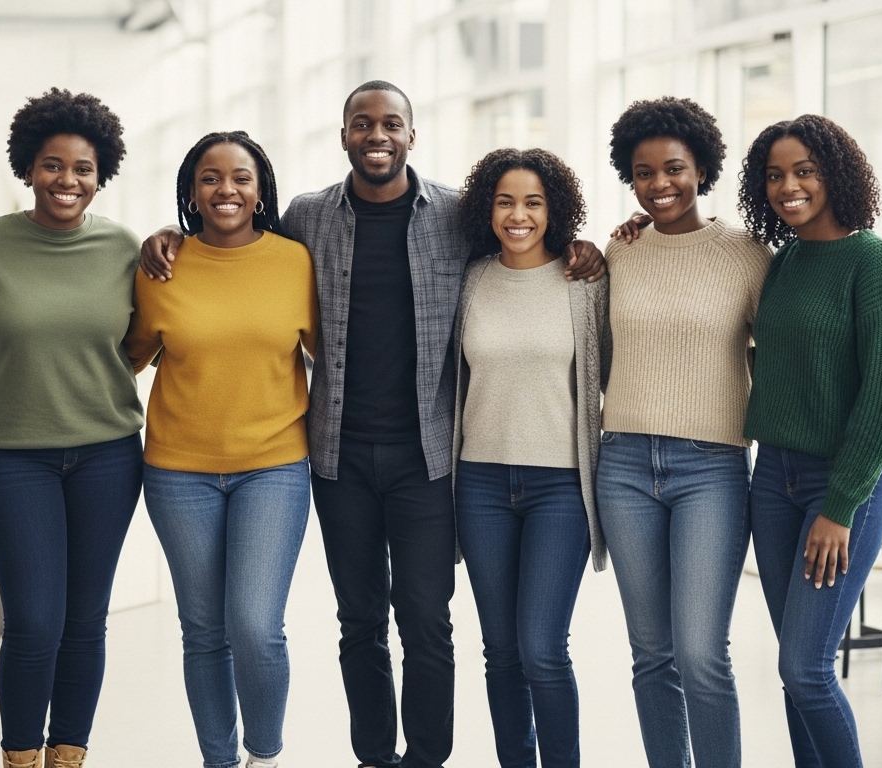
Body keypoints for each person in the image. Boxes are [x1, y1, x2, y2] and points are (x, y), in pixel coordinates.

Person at [140, 81, 605, 768]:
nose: (377, 134)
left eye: (391, 123)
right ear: (344, 135)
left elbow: (523, 240)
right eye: (362, 123)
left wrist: (583, 247)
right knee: (359, 621)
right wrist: (169, 236)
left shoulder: (454, 214)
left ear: (412, 135)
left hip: (427, 458)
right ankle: (374, 757)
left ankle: (426, 757)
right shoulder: (306, 216)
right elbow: (239, 250)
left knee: (425, 620)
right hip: (337, 456)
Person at [0, 88, 143, 768]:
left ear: (101, 173)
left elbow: (156, 334)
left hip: (109, 456)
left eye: (82, 168)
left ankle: (69, 758)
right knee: (32, 624)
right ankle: (20, 758)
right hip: (13, 458)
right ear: (29, 167)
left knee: (85, 622)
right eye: (53, 165)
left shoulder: (124, 247)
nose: (67, 181)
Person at [125, 131, 317, 768]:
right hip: (179, 472)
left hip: (274, 466)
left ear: (261, 189)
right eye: (210, 178)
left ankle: (263, 755)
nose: (226, 190)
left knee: (256, 627)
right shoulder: (161, 266)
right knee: (204, 631)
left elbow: (333, 354)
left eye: (240, 177)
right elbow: (128, 358)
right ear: (191, 191)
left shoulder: (295, 261)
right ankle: (218, 760)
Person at [595, 96, 772, 768]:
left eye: (673, 168)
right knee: (652, 653)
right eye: (643, 172)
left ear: (702, 168)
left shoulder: (747, 255)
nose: (659, 184)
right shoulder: (621, 248)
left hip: (711, 468)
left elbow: (783, 353)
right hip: (624, 465)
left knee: (701, 652)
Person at [739, 115, 882, 768]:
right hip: (773, 480)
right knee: (794, 670)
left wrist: (840, 505)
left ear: (835, 174)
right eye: (775, 175)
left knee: (807, 668)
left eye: (804, 170)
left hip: (846, 485)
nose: (788, 186)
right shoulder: (783, 265)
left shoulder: (872, 262)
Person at [450, 148, 609, 768]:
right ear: (487, 210)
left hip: (561, 487)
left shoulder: (584, 280)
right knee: (501, 650)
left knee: (542, 647)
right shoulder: (471, 279)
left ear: (555, 210)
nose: (519, 215)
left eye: (534, 202)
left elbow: (617, 370)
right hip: (482, 483)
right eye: (506, 201)